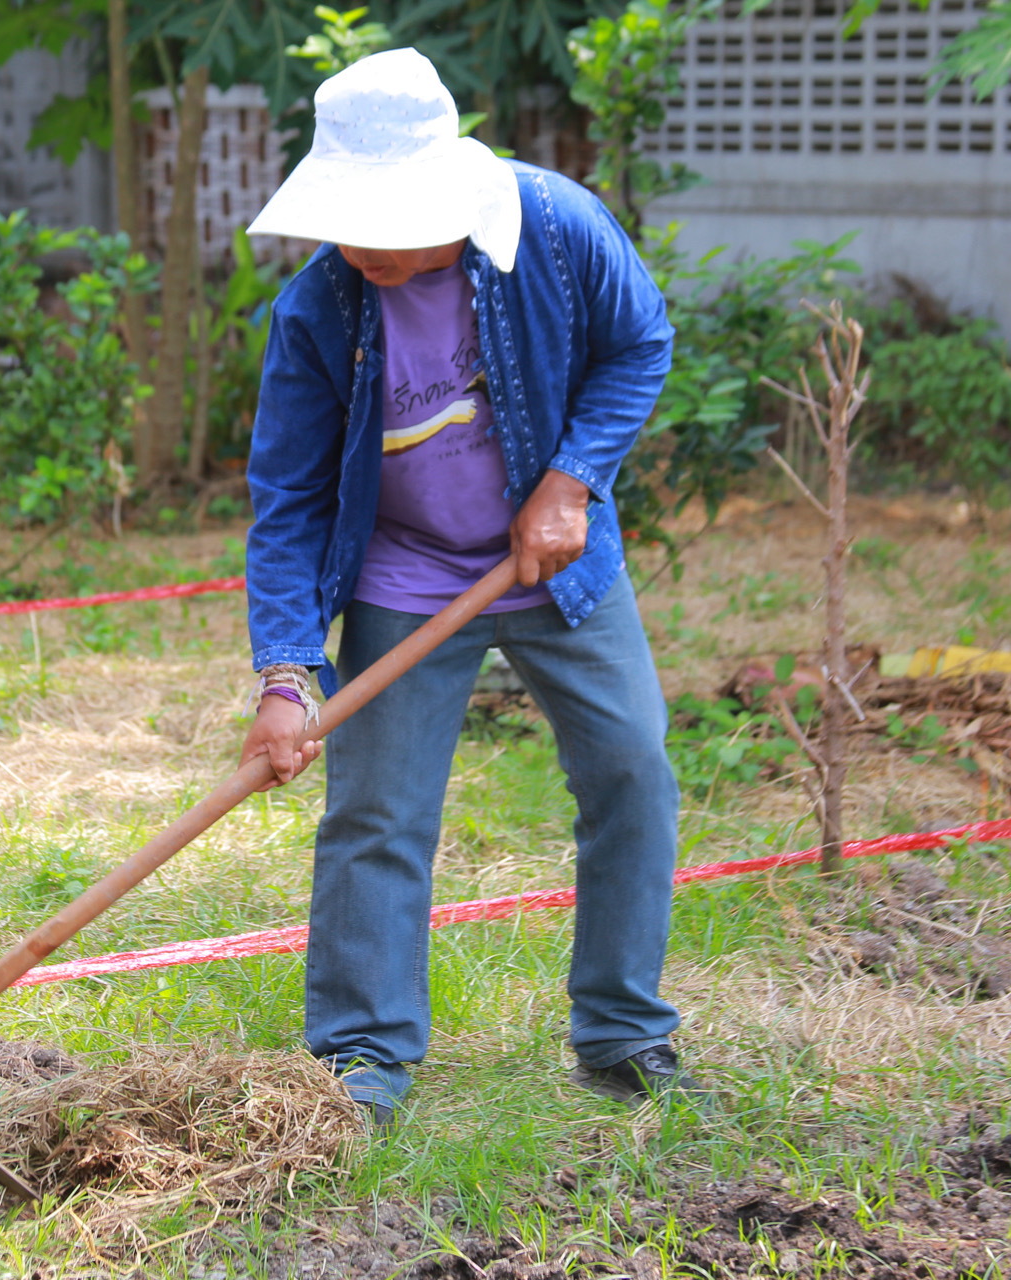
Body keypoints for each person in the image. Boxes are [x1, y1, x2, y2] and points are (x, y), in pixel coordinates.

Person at [238, 48, 696, 1123]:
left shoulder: (558, 228)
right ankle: (363, 1063)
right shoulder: (320, 310)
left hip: (555, 566)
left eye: (386, 216)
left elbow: (642, 343)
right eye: (347, 216)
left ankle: (624, 1035)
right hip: (405, 573)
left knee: (633, 769)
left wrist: (573, 479)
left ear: (447, 189)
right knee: (377, 813)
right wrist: (287, 671)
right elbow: (290, 499)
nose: (361, 243)